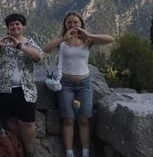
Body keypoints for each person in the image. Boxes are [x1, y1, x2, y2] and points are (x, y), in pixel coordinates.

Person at [43, 11, 114, 157]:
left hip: (84, 83)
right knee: (68, 119)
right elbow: (46, 49)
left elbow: (110, 39)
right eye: (69, 22)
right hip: (65, 84)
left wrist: (88, 35)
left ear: (81, 23)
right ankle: (69, 153)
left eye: (76, 22)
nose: (73, 25)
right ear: (65, 24)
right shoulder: (61, 40)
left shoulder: (87, 40)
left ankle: (85, 152)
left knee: (84, 119)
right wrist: (63, 38)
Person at [0, 13, 43, 157]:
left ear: (23, 27)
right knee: (11, 121)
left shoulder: (29, 42)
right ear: (8, 27)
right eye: (12, 24)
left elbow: (38, 56)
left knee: (28, 123)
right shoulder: (1, 41)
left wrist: (19, 46)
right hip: (2, 89)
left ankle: (29, 152)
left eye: (18, 24)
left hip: (25, 89)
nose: (15, 26)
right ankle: (16, 149)